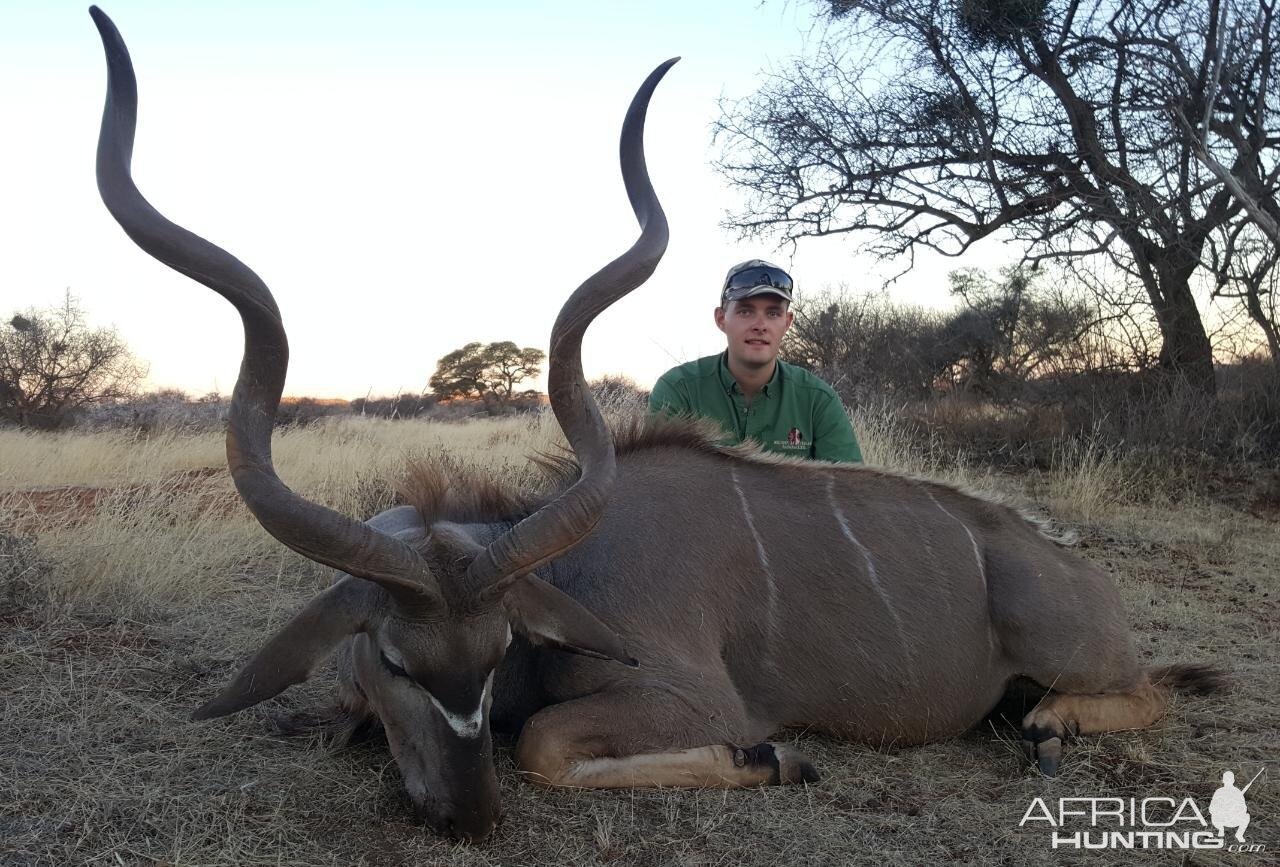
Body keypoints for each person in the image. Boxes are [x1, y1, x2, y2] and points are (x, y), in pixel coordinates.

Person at [649, 259, 862, 463]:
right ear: (721, 319)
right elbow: (664, 484)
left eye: (773, 313)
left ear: (787, 323)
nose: (760, 325)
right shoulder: (679, 390)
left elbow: (849, 492)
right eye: (745, 311)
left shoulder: (818, 400)